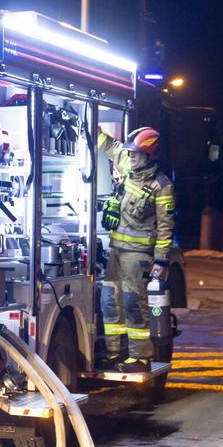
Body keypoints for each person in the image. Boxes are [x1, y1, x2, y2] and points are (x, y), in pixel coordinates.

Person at [97, 126, 175, 373]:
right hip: (116, 251)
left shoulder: (162, 186)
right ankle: (113, 353)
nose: (130, 157)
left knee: (133, 303)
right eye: (130, 153)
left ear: (149, 156)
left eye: (136, 154)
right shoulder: (128, 165)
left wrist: (161, 261)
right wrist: (92, 125)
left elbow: (166, 227)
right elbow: (110, 146)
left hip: (138, 256)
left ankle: (140, 357)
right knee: (109, 301)